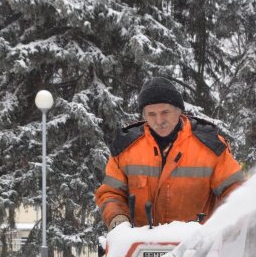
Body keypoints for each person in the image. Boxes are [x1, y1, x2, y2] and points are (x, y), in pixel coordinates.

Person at [96, 77, 244, 229]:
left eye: (165, 112)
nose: (159, 120)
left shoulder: (211, 146)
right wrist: (118, 219)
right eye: (151, 114)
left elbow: (235, 190)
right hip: (140, 245)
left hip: (195, 246)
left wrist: (223, 224)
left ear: (179, 110)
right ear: (144, 116)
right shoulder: (125, 148)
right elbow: (111, 194)